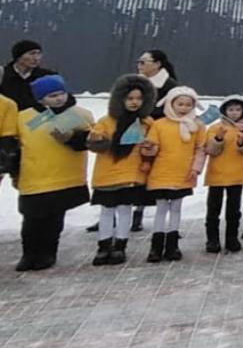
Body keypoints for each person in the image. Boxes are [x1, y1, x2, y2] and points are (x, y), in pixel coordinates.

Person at [4, 75, 92, 271]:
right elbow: (15, 145)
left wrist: (71, 137)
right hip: (34, 176)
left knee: (54, 219)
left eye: (61, 93)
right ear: (40, 99)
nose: (59, 98)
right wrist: (13, 168)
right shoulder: (23, 117)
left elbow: (89, 140)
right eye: (52, 96)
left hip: (63, 178)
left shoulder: (77, 114)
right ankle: (29, 254)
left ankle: (48, 253)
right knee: (32, 219)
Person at [85, 75, 156, 265]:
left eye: (139, 99)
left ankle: (120, 246)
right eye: (130, 98)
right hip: (108, 173)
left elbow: (154, 146)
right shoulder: (106, 121)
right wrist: (96, 141)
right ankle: (103, 246)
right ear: (120, 99)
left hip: (132, 173)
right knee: (107, 211)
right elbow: (95, 144)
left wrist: (149, 150)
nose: (134, 102)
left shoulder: (146, 123)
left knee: (125, 210)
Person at [141, 86, 206, 263]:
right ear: (171, 104)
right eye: (180, 104)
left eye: (188, 104)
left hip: (183, 173)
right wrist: (148, 150)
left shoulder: (197, 126)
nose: (184, 108)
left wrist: (196, 168)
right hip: (161, 172)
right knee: (161, 209)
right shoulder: (159, 124)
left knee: (176, 208)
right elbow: (152, 145)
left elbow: (200, 149)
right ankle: (156, 246)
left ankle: (173, 245)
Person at [200, 97, 243, 254]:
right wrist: (218, 138)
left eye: (238, 110)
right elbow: (211, 150)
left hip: (236, 174)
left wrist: (241, 143)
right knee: (213, 209)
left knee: (233, 210)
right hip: (216, 175)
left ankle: (232, 239)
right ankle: (212, 240)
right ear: (224, 111)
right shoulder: (214, 128)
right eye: (231, 109)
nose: (234, 113)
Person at [130, 48, 178, 233]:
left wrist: (146, 116)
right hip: (133, 130)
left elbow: (171, 110)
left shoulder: (168, 85)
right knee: (129, 169)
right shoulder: (134, 82)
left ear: (157, 64)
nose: (139, 65)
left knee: (148, 170)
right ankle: (120, 211)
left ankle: (138, 212)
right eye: (139, 62)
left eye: (144, 62)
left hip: (155, 133)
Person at [1, 39, 56, 112]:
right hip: (7, 119)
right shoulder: (3, 75)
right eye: (32, 54)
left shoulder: (47, 76)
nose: (36, 58)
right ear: (18, 56)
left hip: (37, 120)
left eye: (39, 54)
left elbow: (66, 100)